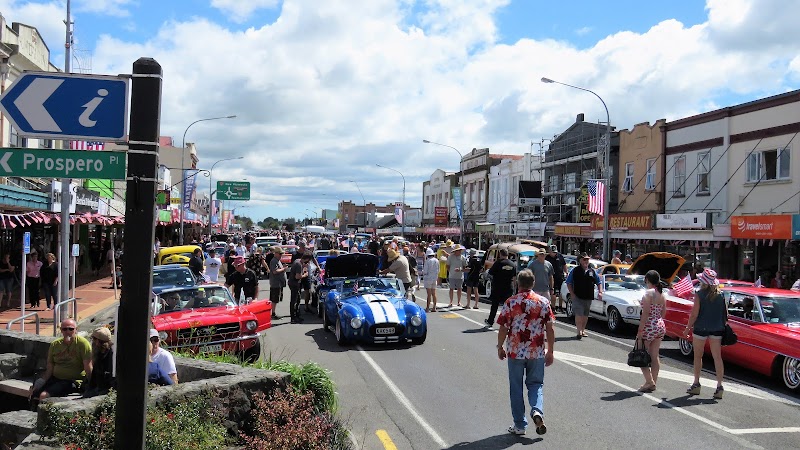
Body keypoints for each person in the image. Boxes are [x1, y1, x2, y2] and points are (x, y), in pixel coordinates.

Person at [496, 269, 554, 437]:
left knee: (516, 387)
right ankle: (537, 411)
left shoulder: (511, 302)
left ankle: (520, 425)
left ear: (517, 283)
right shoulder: (543, 302)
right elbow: (550, 328)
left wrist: (500, 346)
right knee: (536, 384)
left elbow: (503, 327)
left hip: (515, 351)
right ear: (533, 283)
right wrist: (550, 350)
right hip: (536, 351)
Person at [30, 319, 93, 408]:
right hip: (55, 378)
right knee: (34, 392)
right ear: (61, 330)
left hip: (72, 381)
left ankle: (43, 418)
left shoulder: (82, 344)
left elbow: (88, 366)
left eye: (70, 329)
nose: (68, 332)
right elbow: (50, 367)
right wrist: (41, 381)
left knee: (44, 395)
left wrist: (92, 385)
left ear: (76, 329)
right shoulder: (55, 345)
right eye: (64, 329)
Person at [684, 268, 726, 399]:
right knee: (717, 357)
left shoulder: (699, 294)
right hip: (717, 328)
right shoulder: (721, 295)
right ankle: (719, 386)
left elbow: (694, 315)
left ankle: (696, 384)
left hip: (701, 328)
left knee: (698, 356)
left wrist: (687, 328)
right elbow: (725, 314)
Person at [635, 270, 666, 393]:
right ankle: (653, 381)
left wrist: (640, 330)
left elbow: (646, 313)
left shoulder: (647, 293)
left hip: (649, 325)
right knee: (654, 355)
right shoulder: (662, 294)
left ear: (647, 280)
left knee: (640, 353)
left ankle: (649, 381)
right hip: (660, 324)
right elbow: (663, 312)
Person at [565, 252, 603, 339]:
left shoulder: (592, 271)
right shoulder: (575, 270)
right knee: (579, 313)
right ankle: (579, 331)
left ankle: (583, 329)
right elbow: (569, 282)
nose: (586, 261)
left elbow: (599, 282)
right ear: (580, 261)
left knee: (585, 314)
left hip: (588, 296)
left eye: (587, 259)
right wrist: (572, 294)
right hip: (577, 296)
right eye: (584, 259)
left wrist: (600, 292)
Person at [485, 249, 517, 328]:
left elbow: (490, 273)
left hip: (498, 287)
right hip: (508, 288)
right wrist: (515, 289)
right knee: (508, 307)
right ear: (507, 254)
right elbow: (514, 277)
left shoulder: (498, 263)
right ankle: (509, 322)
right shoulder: (512, 264)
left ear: (500, 254)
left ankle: (490, 321)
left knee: (495, 305)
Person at [83, 327, 115, 398]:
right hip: (97, 387)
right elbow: (94, 375)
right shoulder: (99, 353)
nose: (92, 342)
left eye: (93, 339)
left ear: (98, 341)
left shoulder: (112, 355)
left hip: (106, 390)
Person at [288, 252, 311, 323]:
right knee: (294, 300)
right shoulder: (298, 265)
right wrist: (305, 275)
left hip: (293, 283)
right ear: (306, 259)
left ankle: (296, 315)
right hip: (294, 283)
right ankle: (293, 317)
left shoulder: (297, 261)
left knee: (297, 299)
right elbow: (297, 276)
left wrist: (304, 268)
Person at [545, 245, 567, 312]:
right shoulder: (547, 257)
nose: (554, 254)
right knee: (553, 292)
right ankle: (553, 307)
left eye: (555, 252)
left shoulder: (560, 256)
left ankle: (560, 307)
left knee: (561, 293)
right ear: (549, 252)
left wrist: (566, 272)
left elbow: (564, 264)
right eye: (552, 252)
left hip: (560, 276)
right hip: (551, 277)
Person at [268, 246, 287, 319]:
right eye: (280, 254)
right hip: (275, 283)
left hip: (278, 283)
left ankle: (273, 312)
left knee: (276, 299)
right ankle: (273, 313)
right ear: (276, 253)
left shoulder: (277, 260)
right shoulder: (274, 261)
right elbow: (275, 271)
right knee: (274, 299)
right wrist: (283, 269)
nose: (281, 255)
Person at [422, 248, 440, 312]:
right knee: (434, 293)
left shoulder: (427, 261)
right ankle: (434, 307)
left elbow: (425, 271)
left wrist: (422, 273)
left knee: (429, 294)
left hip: (428, 278)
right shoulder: (437, 261)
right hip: (434, 278)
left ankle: (427, 307)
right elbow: (438, 270)